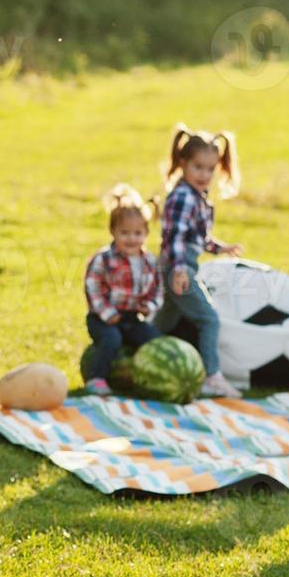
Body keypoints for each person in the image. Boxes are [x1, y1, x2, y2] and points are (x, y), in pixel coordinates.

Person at [151, 125, 246, 398]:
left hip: (181, 267)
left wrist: (221, 247)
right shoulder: (183, 196)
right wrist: (180, 270)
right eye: (198, 167)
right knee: (208, 319)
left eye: (210, 168)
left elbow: (198, 238)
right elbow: (175, 238)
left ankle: (134, 351)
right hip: (178, 268)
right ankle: (212, 376)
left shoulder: (196, 197)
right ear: (183, 164)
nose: (205, 175)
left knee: (164, 322)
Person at [80, 184, 162, 396]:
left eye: (137, 233)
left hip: (132, 316)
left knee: (153, 338)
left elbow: (156, 289)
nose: (131, 239)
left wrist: (149, 306)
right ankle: (96, 377)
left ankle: (147, 379)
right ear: (113, 231)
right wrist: (108, 314)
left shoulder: (148, 261)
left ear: (146, 233)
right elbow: (93, 287)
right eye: (124, 233)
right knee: (111, 339)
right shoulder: (104, 259)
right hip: (102, 317)